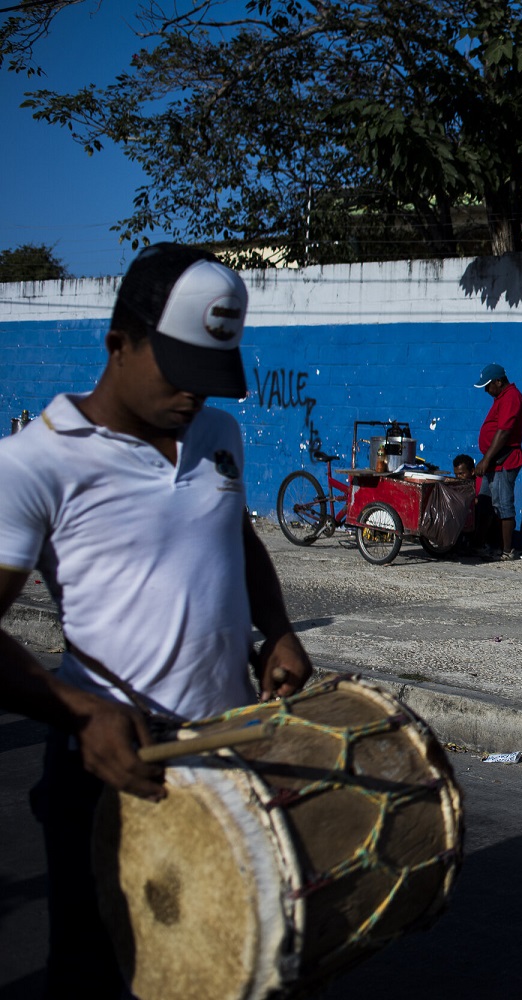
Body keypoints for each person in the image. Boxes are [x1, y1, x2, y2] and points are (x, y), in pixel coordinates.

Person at [0, 243, 313, 997]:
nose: (194, 398)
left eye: (210, 379)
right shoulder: (32, 464)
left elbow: (237, 540)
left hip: (227, 757)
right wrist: (76, 710)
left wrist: (276, 630)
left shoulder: (217, 438)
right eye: (178, 373)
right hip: (114, 767)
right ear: (119, 343)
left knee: (231, 969)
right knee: (100, 973)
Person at [473, 363, 522, 560]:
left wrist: (486, 460)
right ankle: (479, 544)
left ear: (498, 381)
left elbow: (503, 432)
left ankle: (507, 550)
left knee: (503, 504)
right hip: (493, 460)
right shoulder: (501, 398)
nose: (487, 390)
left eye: (488, 386)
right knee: (485, 502)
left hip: (504, 460)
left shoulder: (511, 397)